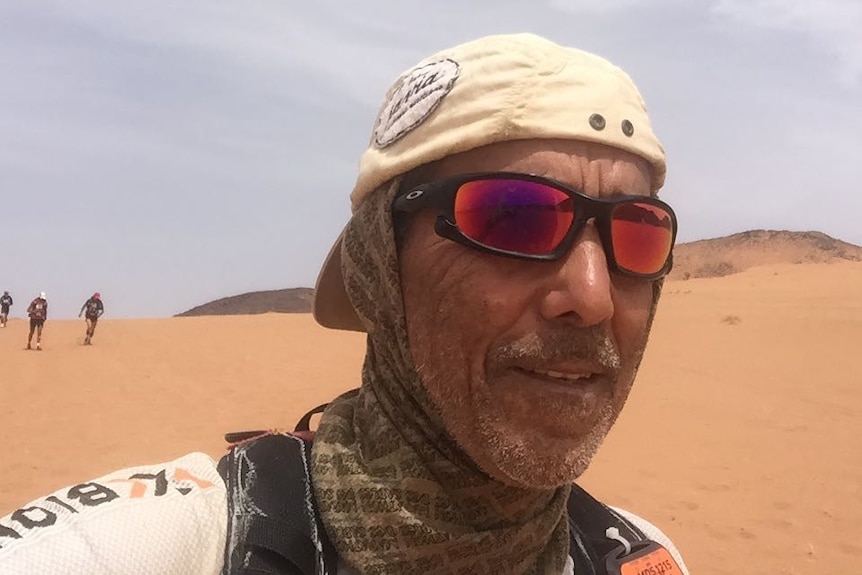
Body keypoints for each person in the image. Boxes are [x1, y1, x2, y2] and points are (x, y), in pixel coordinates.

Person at [0, 34, 688, 575]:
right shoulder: (160, 546)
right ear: (378, 267)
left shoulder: (637, 555)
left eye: (638, 232)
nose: (594, 297)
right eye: (513, 218)